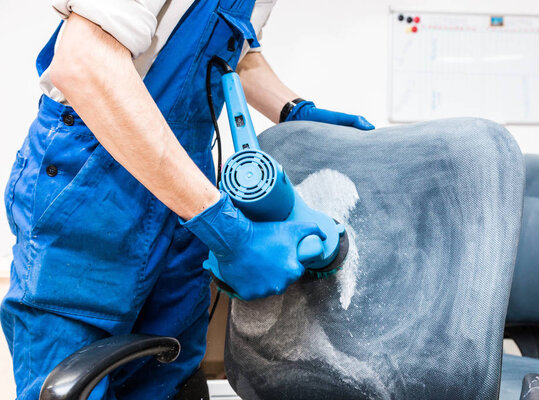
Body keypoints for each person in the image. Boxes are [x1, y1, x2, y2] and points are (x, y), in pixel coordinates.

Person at [1, 1, 375, 399]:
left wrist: (294, 110)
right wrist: (228, 230)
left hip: (185, 186)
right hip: (94, 182)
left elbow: (236, 57)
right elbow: (85, 62)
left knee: (169, 370)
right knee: (76, 375)